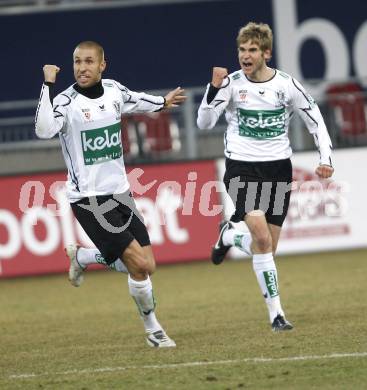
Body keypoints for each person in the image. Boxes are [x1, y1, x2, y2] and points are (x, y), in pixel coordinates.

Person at [35, 41, 186, 347]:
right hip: (89, 199)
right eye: (77, 62)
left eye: (89, 61)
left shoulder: (114, 90)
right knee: (140, 266)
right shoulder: (66, 102)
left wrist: (163, 102)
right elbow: (43, 128)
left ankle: (85, 256)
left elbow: (137, 100)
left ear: (102, 65)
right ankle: (153, 330)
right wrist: (48, 84)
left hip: (120, 193)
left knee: (149, 264)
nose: (82, 67)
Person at [197, 22, 334, 331]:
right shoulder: (230, 84)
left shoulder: (286, 85)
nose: (245, 56)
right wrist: (213, 88)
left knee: (267, 247)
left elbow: (315, 120)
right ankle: (276, 315)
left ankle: (229, 235)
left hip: (278, 169)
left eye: (252, 50)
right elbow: (204, 123)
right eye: (242, 50)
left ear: (266, 53)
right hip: (241, 167)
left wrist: (325, 158)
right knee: (260, 237)